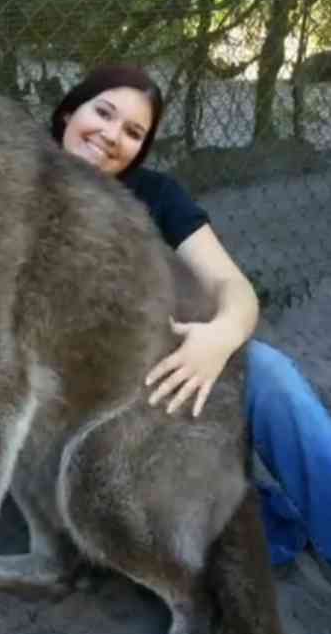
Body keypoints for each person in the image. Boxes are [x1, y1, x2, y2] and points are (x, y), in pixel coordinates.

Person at [49, 63, 331, 573]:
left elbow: (234, 288)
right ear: (70, 110)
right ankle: (258, 520)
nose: (112, 136)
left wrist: (218, 339)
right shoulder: (12, 187)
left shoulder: (155, 195)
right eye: (103, 113)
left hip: (164, 368)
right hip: (72, 399)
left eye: (133, 132)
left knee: (270, 375)